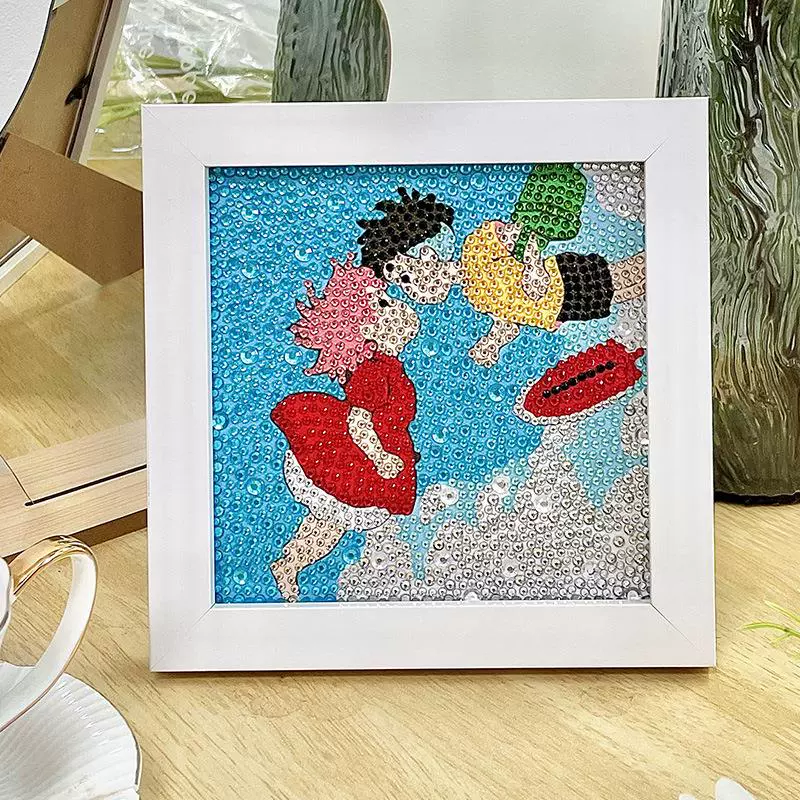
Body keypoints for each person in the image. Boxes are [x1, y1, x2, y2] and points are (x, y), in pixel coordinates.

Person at [270, 253, 420, 602]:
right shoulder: (374, 370)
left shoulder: (386, 365)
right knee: (330, 520)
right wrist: (380, 457)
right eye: (383, 304)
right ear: (365, 328)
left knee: (329, 521)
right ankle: (290, 564)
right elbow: (358, 419)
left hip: (373, 454)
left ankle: (289, 563)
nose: (397, 305)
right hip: (359, 458)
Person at [358, 187, 645, 366]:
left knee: (629, 275)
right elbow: (509, 320)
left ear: (427, 254)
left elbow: (523, 233)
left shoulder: (475, 249)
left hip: (566, 278)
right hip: (563, 308)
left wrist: (533, 266)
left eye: (405, 279)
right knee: (630, 291)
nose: (412, 293)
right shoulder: (475, 297)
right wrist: (492, 343)